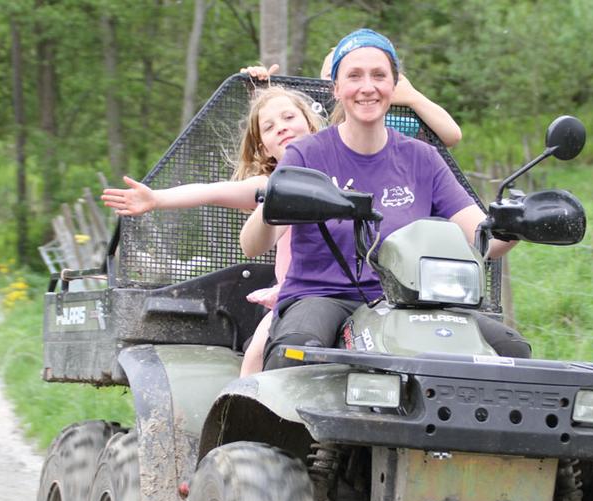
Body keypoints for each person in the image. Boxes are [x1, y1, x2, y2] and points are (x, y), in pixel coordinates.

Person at [239, 29, 531, 371]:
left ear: (394, 87)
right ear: (336, 88)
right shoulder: (306, 155)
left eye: (379, 75)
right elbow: (251, 245)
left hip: (410, 304)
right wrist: (276, 200)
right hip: (321, 296)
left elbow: (483, 240)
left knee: (511, 352)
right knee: (296, 349)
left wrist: (513, 227)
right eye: (354, 76)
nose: (367, 87)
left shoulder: (422, 158)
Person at [101, 85, 325, 376]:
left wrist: (406, 96)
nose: (281, 128)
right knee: (258, 351)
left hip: (343, 291)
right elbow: (211, 191)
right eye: (269, 127)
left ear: (310, 121)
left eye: (288, 117)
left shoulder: (340, 162)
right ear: (263, 147)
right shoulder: (270, 185)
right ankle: (244, 413)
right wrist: (156, 199)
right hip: (296, 295)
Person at [242, 57, 462, 148]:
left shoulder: (388, 127)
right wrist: (260, 91)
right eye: (330, 76)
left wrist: (412, 96)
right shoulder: (313, 122)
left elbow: (451, 136)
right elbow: (279, 141)